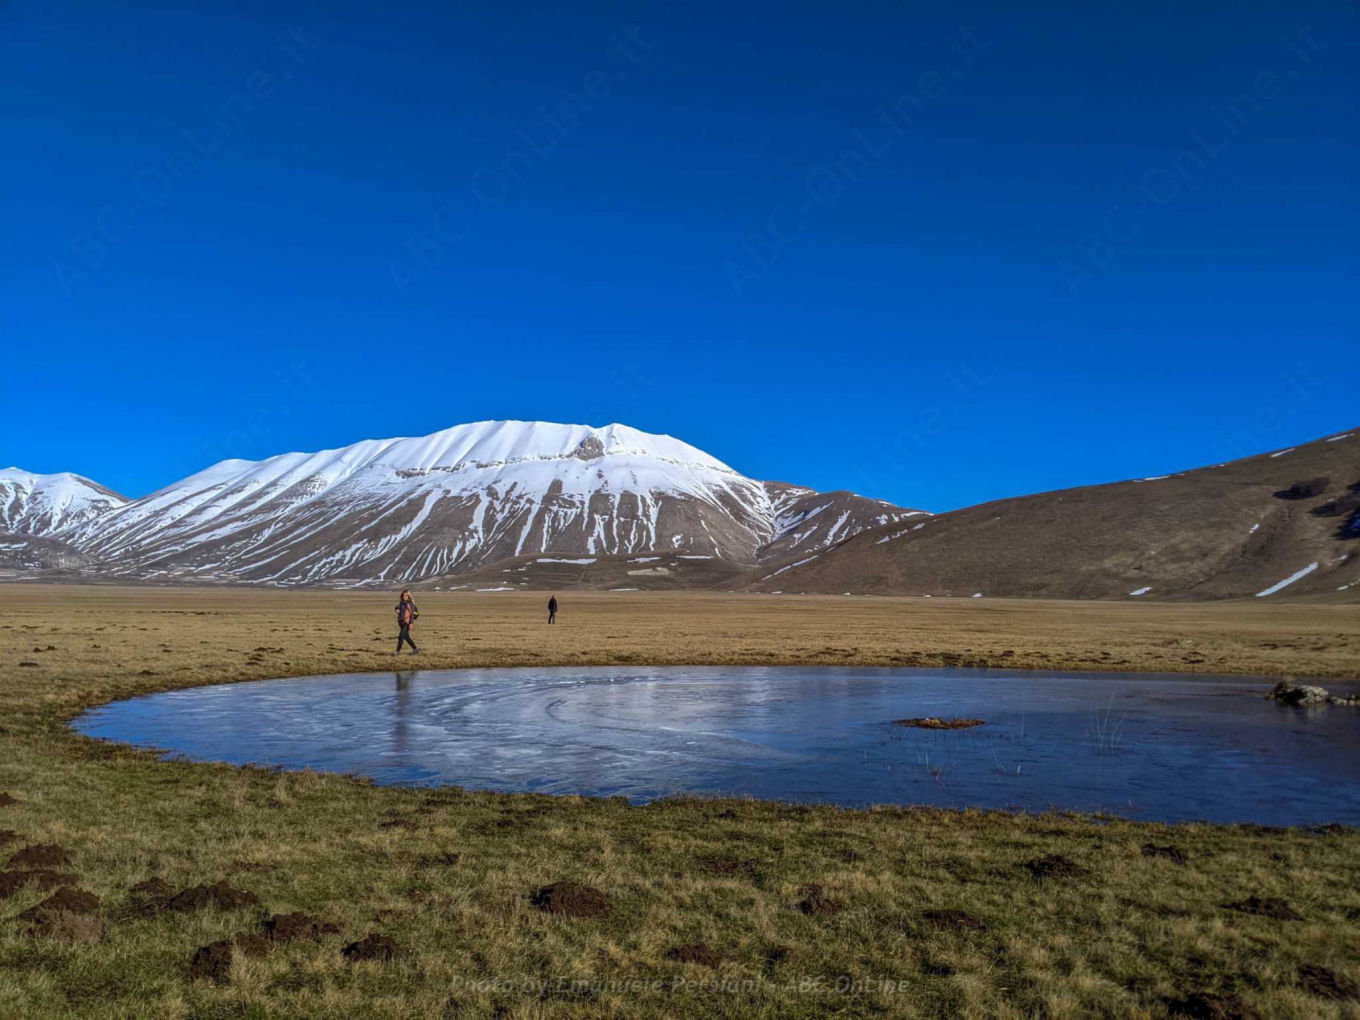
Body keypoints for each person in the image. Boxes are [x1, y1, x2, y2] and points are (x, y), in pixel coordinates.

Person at [394, 589, 420, 655]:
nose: (404, 596)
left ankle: (397, 651)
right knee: (406, 637)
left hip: (407, 622)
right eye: (403, 595)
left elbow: (411, 614)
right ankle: (415, 649)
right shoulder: (401, 602)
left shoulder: (410, 604)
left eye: (406, 595)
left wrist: (411, 623)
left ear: (408, 596)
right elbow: (397, 607)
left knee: (400, 637)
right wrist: (396, 609)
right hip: (401, 622)